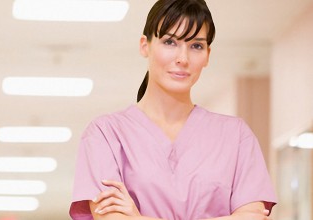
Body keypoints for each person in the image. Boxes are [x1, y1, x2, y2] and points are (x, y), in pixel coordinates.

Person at [69, 0, 277, 219]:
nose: (183, 59)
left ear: (207, 54)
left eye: (196, 46)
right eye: (170, 42)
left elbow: (253, 217)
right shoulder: (105, 135)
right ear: (144, 45)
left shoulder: (236, 136)